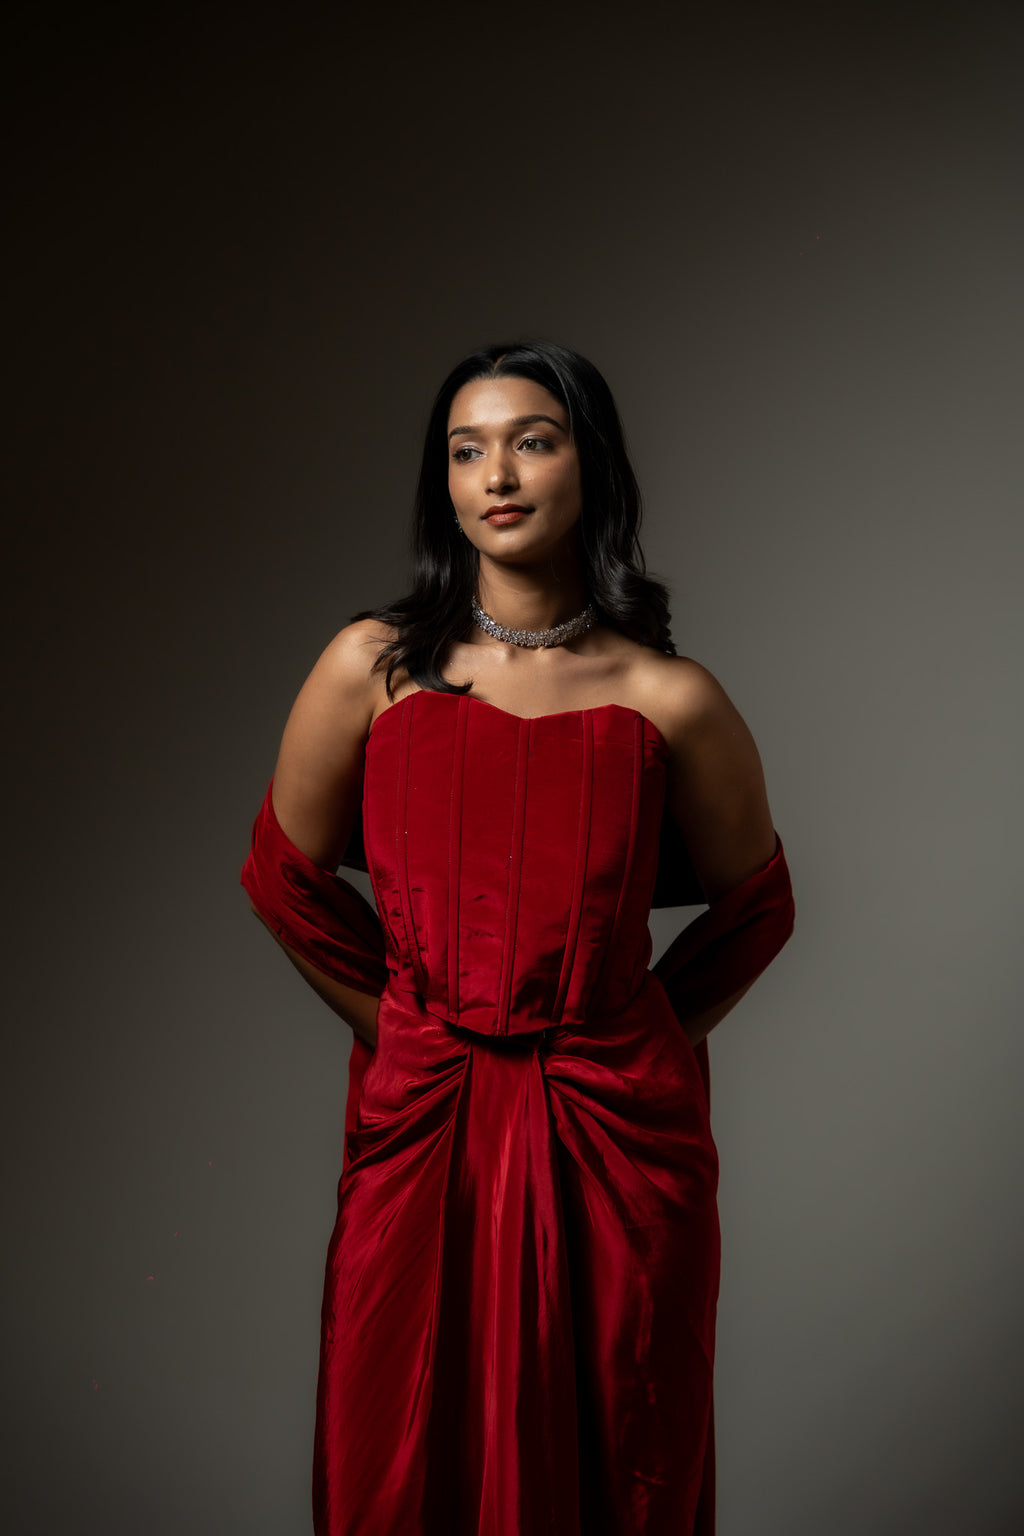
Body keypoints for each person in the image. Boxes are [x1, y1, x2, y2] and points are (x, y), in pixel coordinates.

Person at [241, 339, 794, 1536]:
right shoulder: (373, 669)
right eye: (466, 450)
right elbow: (283, 878)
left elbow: (758, 908)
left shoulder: (669, 697)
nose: (496, 474)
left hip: (612, 1140)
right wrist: (401, 1028)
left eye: (532, 442)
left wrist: (636, 1040)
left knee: (622, 1457)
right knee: (396, 1462)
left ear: (591, 466)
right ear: (442, 481)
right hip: (424, 1125)